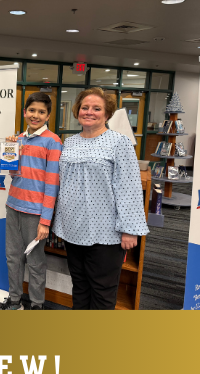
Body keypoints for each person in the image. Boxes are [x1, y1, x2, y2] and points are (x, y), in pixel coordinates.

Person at [52, 87, 149, 310]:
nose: (89, 112)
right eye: (85, 107)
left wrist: (130, 229)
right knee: (79, 285)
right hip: (72, 228)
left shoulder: (119, 143)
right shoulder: (70, 142)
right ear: (77, 111)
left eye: (97, 108)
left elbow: (130, 188)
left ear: (107, 114)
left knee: (102, 291)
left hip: (105, 232)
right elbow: (61, 180)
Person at [0, 92, 62, 310]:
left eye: (41, 112)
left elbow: (52, 183)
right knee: (13, 258)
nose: (35, 115)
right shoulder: (17, 139)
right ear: (25, 112)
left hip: (35, 212)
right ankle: (15, 300)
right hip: (13, 206)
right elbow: (14, 175)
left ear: (48, 116)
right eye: (32, 110)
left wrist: (45, 220)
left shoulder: (53, 141)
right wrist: (9, 153)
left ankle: (37, 304)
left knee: (35, 262)